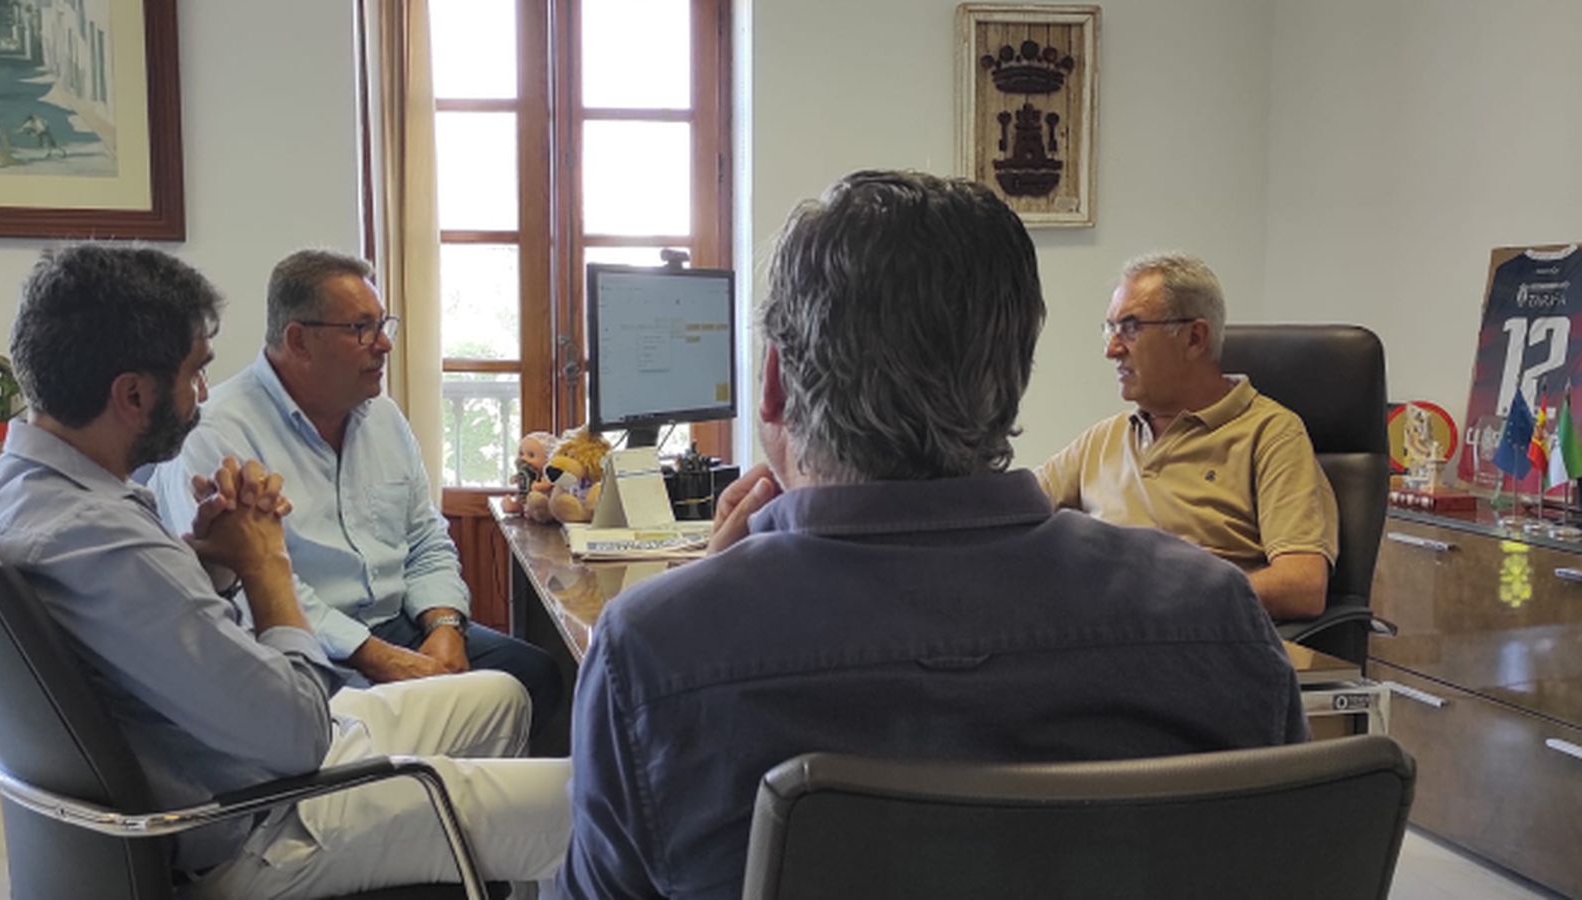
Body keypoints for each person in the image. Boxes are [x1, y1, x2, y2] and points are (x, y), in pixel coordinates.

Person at [557, 172, 1307, 899]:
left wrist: (704, 604)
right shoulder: (1219, 617)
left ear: (775, 385)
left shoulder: (652, 653)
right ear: (1013, 375)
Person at [0, 245, 570, 898]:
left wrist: (215, 564)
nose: (202, 395)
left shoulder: (28, 491)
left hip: (239, 761)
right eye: (194, 374)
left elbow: (159, 638)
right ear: (132, 394)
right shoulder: (101, 543)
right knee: (582, 800)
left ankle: (461, 868)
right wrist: (266, 568)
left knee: (503, 696)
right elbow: (298, 737)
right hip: (258, 822)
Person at [152, 249, 563, 733]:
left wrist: (446, 628)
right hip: (298, 649)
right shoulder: (216, 435)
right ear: (299, 340)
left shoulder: (383, 417)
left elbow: (426, 538)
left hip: (401, 625)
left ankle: (480, 805)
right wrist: (381, 660)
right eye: (361, 329)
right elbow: (248, 592)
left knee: (541, 677)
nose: (384, 345)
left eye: (383, 324)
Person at [1036, 252, 1338, 621]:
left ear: (1194, 338)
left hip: (1196, 642)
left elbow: (1302, 586)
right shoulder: (1104, 438)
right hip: (1101, 636)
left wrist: (1169, 598)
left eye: (1130, 328)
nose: (1111, 349)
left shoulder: (1271, 435)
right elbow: (1012, 510)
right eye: (1110, 329)